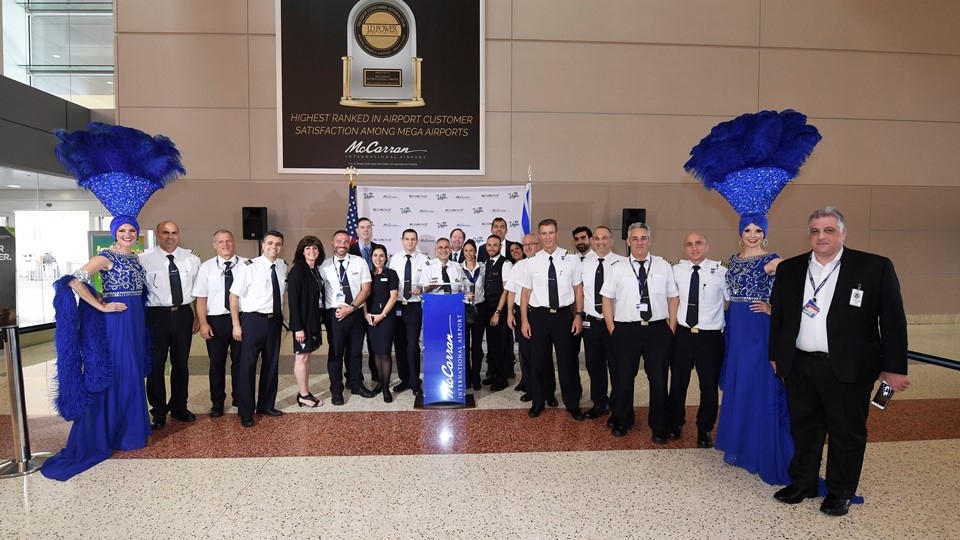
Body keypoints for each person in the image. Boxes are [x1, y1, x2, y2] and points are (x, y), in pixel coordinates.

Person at [770, 207, 909, 516]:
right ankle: (803, 482)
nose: (822, 236)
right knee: (804, 428)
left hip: (848, 368)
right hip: (800, 365)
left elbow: (893, 321)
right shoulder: (791, 269)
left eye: (829, 230)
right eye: (816, 231)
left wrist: (894, 368)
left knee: (846, 433)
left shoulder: (874, 267)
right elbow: (779, 317)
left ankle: (840, 491)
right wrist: (776, 356)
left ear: (843, 233)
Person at [43, 219, 152, 480]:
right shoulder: (105, 256)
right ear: (115, 234)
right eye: (122, 231)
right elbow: (73, 281)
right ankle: (114, 434)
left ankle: (127, 432)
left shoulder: (136, 258)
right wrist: (101, 305)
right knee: (118, 372)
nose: (128, 234)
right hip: (117, 321)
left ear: (137, 234)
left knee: (132, 373)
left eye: (132, 231)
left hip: (135, 320)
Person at [714, 218, 792, 482]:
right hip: (736, 326)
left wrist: (774, 309)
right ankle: (739, 443)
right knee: (740, 383)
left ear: (765, 233)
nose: (752, 235)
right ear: (740, 232)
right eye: (748, 230)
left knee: (758, 383)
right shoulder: (733, 259)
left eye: (758, 230)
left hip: (758, 328)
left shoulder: (772, 260)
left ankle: (759, 446)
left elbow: (799, 286)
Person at [600, 222, 679, 439]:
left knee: (659, 379)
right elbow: (607, 299)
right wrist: (612, 328)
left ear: (650, 240)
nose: (639, 242)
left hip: (657, 330)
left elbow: (673, 298)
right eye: (634, 238)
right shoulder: (617, 267)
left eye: (643, 237)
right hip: (626, 331)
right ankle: (623, 420)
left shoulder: (664, 266)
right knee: (624, 378)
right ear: (628, 241)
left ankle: (659, 425)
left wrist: (671, 328)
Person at [520, 218, 585, 420]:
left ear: (557, 234)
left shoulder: (571, 258)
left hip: (564, 316)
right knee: (539, 362)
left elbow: (578, 289)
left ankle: (572, 404)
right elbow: (525, 293)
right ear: (540, 236)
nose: (548, 237)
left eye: (551, 232)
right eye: (544, 233)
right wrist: (524, 320)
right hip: (538, 316)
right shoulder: (531, 261)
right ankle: (538, 402)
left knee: (567, 362)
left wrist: (579, 316)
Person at [139, 220, 201, 429]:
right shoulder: (143, 259)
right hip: (156, 316)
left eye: (174, 232)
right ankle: (158, 411)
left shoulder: (191, 259)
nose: (170, 236)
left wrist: (198, 317)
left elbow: (199, 292)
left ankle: (179, 407)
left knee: (181, 364)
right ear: (157, 234)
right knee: (156, 366)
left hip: (183, 314)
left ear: (179, 234)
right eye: (165, 232)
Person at [668, 232, 727, 447]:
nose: (694, 248)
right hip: (683, 335)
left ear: (707, 246)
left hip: (710, 337)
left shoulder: (721, 271)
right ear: (684, 249)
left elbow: (735, 299)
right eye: (689, 245)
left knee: (708, 386)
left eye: (699, 243)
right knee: (678, 382)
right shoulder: (675, 271)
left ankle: (705, 428)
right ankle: (675, 422)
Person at [230, 230, 288, 428]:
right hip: (253, 321)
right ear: (263, 245)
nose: (274, 247)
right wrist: (236, 325)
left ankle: (266, 405)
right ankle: (246, 411)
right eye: (270, 243)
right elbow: (234, 296)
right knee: (247, 366)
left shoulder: (282, 266)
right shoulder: (249, 267)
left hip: (274, 321)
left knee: (271, 364)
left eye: (278, 244)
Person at [193, 229, 246, 418]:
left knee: (241, 362)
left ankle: (240, 398)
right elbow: (201, 298)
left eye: (229, 241)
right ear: (214, 245)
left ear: (234, 243)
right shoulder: (206, 268)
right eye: (221, 241)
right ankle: (217, 402)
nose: (225, 244)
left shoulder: (247, 265)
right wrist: (203, 323)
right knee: (216, 364)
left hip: (241, 319)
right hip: (215, 320)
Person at [320, 230, 374, 405]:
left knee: (355, 352)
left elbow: (366, 289)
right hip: (335, 314)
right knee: (336, 353)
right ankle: (336, 390)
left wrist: (351, 308)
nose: (342, 244)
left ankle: (356, 384)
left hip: (355, 312)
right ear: (332, 243)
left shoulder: (359, 262)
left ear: (349, 243)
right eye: (338, 241)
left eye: (345, 241)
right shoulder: (324, 266)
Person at [507, 233, 557, 405]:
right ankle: (530, 389)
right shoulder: (518, 267)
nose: (528, 247)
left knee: (544, 356)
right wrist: (508, 313)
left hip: (540, 314)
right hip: (522, 313)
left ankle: (549, 393)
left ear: (539, 244)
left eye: (532, 244)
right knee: (526, 355)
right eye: (525, 245)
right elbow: (511, 292)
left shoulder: (547, 263)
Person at [580, 226, 624, 420]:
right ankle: (599, 403)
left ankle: (617, 402)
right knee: (594, 365)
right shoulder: (582, 263)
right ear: (591, 240)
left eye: (604, 238)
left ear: (612, 241)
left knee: (616, 365)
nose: (600, 242)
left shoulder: (622, 263)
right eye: (596, 238)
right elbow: (578, 291)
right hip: (591, 322)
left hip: (614, 323)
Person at [388, 228, 429, 396]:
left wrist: (422, 288)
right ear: (402, 240)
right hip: (396, 306)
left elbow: (430, 282)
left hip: (414, 306)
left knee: (412, 345)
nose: (410, 242)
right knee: (399, 345)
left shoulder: (424, 260)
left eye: (413, 239)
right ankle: (404, 379)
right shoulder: (394, 259)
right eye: (407, 239)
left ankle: (414, 381)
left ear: (417, 241)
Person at [287, 235, 326, 408]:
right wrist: (298, 328)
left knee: (306, 357)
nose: (312, 251)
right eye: (308, 248)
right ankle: (303, 395)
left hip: (313, 322)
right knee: (301, 358)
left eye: (315, 248)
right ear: (302, 251)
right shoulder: (298, 270)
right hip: (303, 325)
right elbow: (293, 302)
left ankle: (305, 391)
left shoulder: (314, 269)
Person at [348, 217, 383, 381]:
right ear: (357, 230)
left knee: (373, 341)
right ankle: (352, 376)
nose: (366, 230)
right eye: (362, 227)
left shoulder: (378, 249)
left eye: (368, 227)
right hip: (355, 301)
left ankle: (376, 374)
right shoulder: (349, 249)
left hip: (375, 302)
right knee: (353, 343)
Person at [364, 245, 399, 402]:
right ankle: (380, 383)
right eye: (375, 255)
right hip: (370, 318)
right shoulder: (368, 275)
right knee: (376, 352)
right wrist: (366, 314)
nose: (378, 258)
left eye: (381, 256)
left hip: (386, 319)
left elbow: (393, 296)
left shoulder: (391, 274)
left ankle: (385, 388)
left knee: (385, 353)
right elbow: (363, 295)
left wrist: (382, 315)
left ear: (386, 258)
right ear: (371, 257)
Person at [482, 234, 513, 391]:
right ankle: (494, 373)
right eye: (489, 245)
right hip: (487, 310)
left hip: (499, 311)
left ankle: (503, 377)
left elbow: (506, 290)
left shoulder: (505, 263)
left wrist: (498, 312)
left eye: (495, 245)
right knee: (493, 344)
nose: (492, 248)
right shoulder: (486, 263)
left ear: (500, 247)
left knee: (502, 345)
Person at [460, 239, 485, 390]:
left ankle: (476, 377)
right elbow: (455, 289)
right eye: (466, 251)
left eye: (471, 250)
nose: (469, 253)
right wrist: (463, 297)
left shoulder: (483, 267)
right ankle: (466, 377)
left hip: (480, 309)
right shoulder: (458, 268)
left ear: (475, 251)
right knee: (464, 345)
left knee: (476, 346)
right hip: (464, 309)